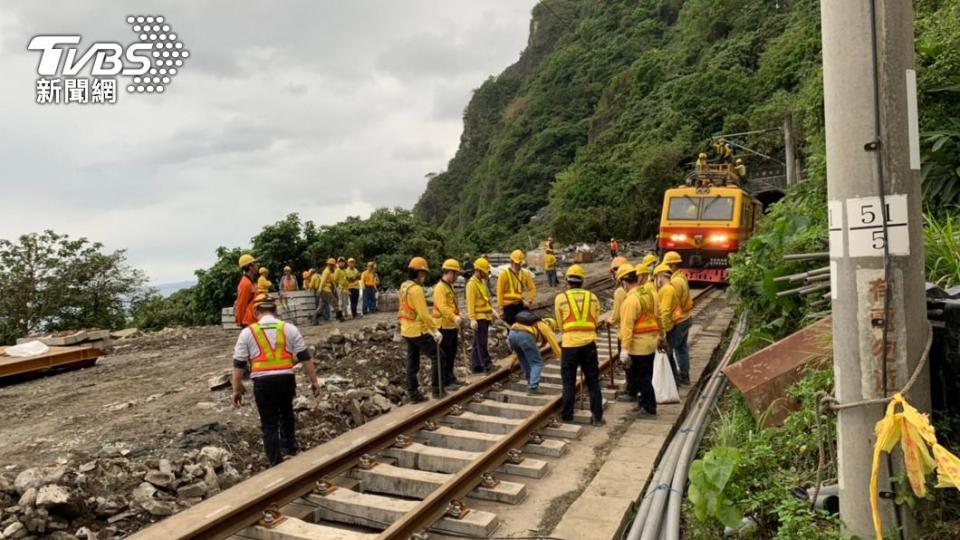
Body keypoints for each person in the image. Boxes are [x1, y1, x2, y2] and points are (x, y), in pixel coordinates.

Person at [230, 293, 322, 466]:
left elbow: (238, 364)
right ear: (275, 310)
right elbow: (304, 357)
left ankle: (276, 462)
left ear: (255, 310)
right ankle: (290, 451)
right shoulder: (290, 329)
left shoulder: (247, 333)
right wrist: (314, 381)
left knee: (269, 424)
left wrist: (236, 389)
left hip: (263, 384)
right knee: (286, 415)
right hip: (286, 380)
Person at [554, 264, 604, 425]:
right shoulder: (593, 297)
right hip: (589, 343)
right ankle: (597, 417)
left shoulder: (560, 299)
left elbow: (560, 324)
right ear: (582, 281)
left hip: (569, 344)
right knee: (592, 381)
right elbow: (595, 320)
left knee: (568, 381)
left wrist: (570, 333)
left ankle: (567, 415)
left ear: (567, 281)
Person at [616, 264, 659, 416]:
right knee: (647, 375)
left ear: (624, 282)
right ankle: (644, 403)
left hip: (639, 345)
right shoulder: (648, 293)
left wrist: (624, 349)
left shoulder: (630, 301)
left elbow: (627, 328)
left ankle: (649, 407)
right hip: (651, 341)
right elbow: (657, 315)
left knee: (642, 378)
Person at [399, 257, 443, 402]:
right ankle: (437, 390)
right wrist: (435, 330)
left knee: (412, 363)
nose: (424, 276)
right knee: (438, 356)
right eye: (423, 273)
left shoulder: (404, 286)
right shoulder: (416, 290)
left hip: (406, 329)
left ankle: (413, 394)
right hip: (418, 331)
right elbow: (424, 313)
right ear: (418, 273)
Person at [656, 255, 694, 385]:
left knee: (670, 350)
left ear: (672, 265)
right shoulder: (680, 277)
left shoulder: (674, 283)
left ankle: (676, 380)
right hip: (685, 318)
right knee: (682, 348)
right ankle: (684, 376)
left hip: (679, 321)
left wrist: (664, 331)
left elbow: (668, 308)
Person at [433, 259, 467, 391]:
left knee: (451, 353)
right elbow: (442, 307)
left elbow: (452, 305)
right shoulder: (440, 288)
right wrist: (454, 317)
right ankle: (446, 381)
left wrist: (458, 315)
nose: (457, 277)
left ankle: (450, 377)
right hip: (443, 325)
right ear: (450, 272)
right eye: (456, 274)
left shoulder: (449, 286)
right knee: (445, 354)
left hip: (451, 325)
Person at [508, 311, 560, 394]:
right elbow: (553, 342)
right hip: (525, 336)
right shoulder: (545, 326)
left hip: (512, 334)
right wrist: (561, 356)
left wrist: (512, 362)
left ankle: (530, 383)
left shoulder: (531, 324)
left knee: (524, 361)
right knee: (537, 363)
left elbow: (516, 350)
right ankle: (533, 387)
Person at [467, 257, 495, 373]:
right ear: (478, 270)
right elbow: (470, 303)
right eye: (484, 272)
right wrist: (472, 319)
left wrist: (492, 311)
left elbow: (486, 299)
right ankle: (486, 364)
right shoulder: (471, 284)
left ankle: (476, 365)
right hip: (479, 318)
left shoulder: (482, 283)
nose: (485, 274)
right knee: (481, 342)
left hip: (485, 316)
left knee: (477, 343)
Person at [497, 250, 537, 325]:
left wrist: (530, 301)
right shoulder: (503, 274)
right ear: (511, 261)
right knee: (512, 329)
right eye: (516, 263)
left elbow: (532, 288)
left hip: (520, 303)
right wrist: (501, 309)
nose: (518, 265)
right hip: (508, 306)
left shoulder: (525, 274)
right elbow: (500, 292)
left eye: (519, 263)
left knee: (528, 323)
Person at [234, 254, 260, 328]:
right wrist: (241, 322)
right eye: (254, 263)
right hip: (248, 323)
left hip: (254, 321)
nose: (257, 265)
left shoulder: (252, 282)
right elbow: (242, 303)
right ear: (250, 267)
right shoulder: (245, 283)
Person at [315, 258, 338, 323]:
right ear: (330, 265)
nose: (334, 267)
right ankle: (340, 317)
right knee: (335, 302)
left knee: (321, 306)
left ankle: (315, 318)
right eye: (333, 265)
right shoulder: (326, 271)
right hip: (326, 290)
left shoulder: (328, 271)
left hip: (324, 290)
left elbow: (332, 281)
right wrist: (319, 290)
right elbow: (322, 281)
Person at [334, 257, 348, 322]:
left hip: (345, 288)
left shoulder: (344, 270)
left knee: (345, 302)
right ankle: (340, 315)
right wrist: (338, 286)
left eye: (342, 262)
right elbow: (335, 279)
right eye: (340, 262)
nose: (342, 263)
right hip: (340, 288)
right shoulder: (337, 270)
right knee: (341, 302)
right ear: (338, 263)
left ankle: (344, 314)